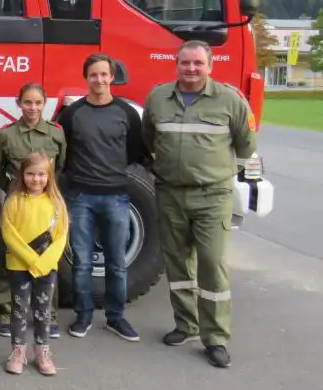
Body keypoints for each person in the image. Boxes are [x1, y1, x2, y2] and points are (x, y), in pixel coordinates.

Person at [142, 40, 256, 369]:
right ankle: (186, 325)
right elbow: (149, 138)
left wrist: (222, 174)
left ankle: (216, 337)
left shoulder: (231, 100)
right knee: (177, 264)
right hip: (170, 193)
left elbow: (246, 144)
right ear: (176, 64)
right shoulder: (158, 98)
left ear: (210, 66)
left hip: (212, 196)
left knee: (212, 263)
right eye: (185, 63)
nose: (191, 69)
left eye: (197, 63)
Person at [57, 53, 146, 342]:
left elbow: (133, 152)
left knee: (117, 263)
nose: (99, 80)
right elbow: (65, 153)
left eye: (104, 74)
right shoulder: (73, 114)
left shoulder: (126, 113)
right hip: (80, 197)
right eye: (93, 75)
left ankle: (116, 318)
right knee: (82, 262)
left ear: (112, 77)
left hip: (116, 197)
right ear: (86, 78)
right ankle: (83, 316)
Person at [0, 83, 66, 338]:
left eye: (37, 103)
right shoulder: (7, 135)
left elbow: (60, 166)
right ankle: (5, 313)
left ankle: (49, 315)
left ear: (45, 104)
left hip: (45, 203)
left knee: (49, 256)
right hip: (15, 203)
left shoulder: (56, 134)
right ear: (19, 103)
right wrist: (10, 193)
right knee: (10, 254)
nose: (32, 108)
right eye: (27, 102)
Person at [0, 153, 69, 376]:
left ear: (49, 176)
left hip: (47, 268)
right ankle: (18, 352)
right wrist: (32, 260)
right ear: (22, 175)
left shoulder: (56, 204)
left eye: (41, 174)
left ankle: (42, 352)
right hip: (19, 266)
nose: (36, 179)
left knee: (43, 311)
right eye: (30, 174)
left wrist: (45, 262)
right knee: (19, 310)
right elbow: (9, 234)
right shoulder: (13, 202)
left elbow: (61, 237)